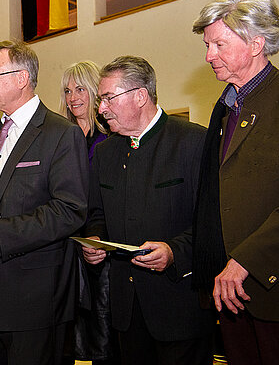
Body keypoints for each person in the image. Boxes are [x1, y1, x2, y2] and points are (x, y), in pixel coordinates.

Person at [0, 40, 89, 365]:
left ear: (21, 78)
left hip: (35, 298)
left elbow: (70, 210)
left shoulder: (61, 133)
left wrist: (1, 231)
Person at [81, 56, 213, 365]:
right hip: (126, 311)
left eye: (108, 98)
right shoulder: (105, 152)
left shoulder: (194, 142)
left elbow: (212, 222)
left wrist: (173, 250)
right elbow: (97, 213)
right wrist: (95, 241)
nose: (101, 108)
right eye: (101, 99)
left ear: (140, 96)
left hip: (180, 307)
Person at [192, 0, 279, 364]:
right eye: (207, 45)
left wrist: (244, 260)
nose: (209, 55)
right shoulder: (225, 106)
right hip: (229, 290)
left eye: (219, 44)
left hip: (267, 284)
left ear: (257, 43)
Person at [59, 61, 118, 365]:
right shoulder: (59, 137)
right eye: (68, 91)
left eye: (80, 88)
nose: (73, 97)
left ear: (96, 91)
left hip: (100, 252)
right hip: (67, 248)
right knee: (64, 339)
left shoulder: (111, 137)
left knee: (103, 341)